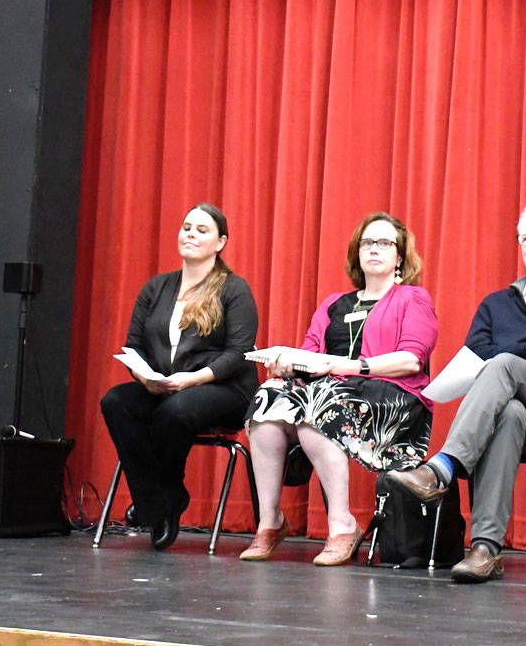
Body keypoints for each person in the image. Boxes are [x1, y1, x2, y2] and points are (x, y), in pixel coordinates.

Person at [386, 203, 526, 582]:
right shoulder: (496, 305)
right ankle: (485, 549)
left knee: (505, 363)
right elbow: (476, 354)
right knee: (510, 413)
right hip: (510, 415)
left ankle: (442, 468)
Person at [239, 211, 438, 566]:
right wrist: (287, 365)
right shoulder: (333, 303)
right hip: (329, 391)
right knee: (267, 398)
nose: (374, 249)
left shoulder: (412, 299)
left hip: (392, 395)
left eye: (384, 243)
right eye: (367, 243)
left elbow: (412, 360)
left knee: (319, 407)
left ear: (400, 256)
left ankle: (341, 523)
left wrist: (354, 366)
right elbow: (310, 354)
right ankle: (270, 521)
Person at [100, 204, 260, 551]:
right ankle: (160, 501)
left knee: (176, 410)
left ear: (221, 242)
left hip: (225, 390)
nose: (190, 234)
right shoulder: (156, 288)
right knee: (116, 401)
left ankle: (156, 502)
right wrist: (145, 380)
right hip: (167, 387)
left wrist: (190, 380)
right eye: (186, 227)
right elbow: (134, 348)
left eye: (202, 230)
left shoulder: (234, 289)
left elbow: (238, 354)